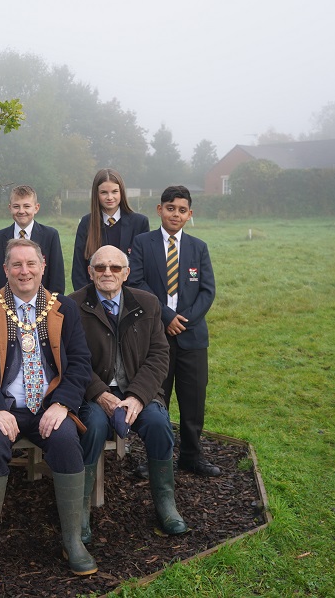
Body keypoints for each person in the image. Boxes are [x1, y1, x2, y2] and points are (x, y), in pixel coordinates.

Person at [0, 238, 97, 582]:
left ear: (43, 266)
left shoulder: (63, 307)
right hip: (3, 406)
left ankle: (72, 540)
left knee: (66, 440)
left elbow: (81, 362)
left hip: (49, 406)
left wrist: (63, 403)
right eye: (17, 265)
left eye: (31, 264)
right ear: (5, 269)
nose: (25, 271)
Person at [68, 245, 189, 542]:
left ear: (126, 273)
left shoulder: (147, 303)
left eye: (115, 268)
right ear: (90, 273)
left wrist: (137, 396)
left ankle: (166, 503)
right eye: (100, 267)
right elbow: (70, 358)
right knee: (93, 426)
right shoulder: (73, 305)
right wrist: (99, 393)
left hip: (138, 389)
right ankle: (79, 510)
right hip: (94, 393)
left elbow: (159, 355)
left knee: (159, 424)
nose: (107, 273)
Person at [128, 185, 219, 476]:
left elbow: (207, 291)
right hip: (156, 336)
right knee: (157, 399)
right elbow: (136, 283)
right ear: (160, 210)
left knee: (193, 400)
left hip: (192, 338)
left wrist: (184, 320)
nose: (175, 215)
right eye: (170, 209)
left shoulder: (198, 247)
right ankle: (156, 458)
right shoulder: (143, 243)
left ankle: (192, 456)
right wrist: (166, 316)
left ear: (189, 214)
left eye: (181, 210)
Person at [71, 168, 150, 291]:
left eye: (114, 192)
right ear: (96, 194)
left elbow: (142, 268)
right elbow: (78, 269)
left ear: (121, 192)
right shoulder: (86, 223)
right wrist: (87, 298)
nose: (110, 197)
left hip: (129, 295)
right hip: (94, 295)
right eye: (104, 192)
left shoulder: (139, 223)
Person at [0, 185, 65, 293]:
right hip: (5, 300)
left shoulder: (50, 236)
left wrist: (52, 301)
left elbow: (57, 277)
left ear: (36, 208)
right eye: (16, 206)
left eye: (27, 206)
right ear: (10, 208)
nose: (21, 211)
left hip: (43, 300)